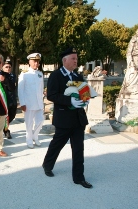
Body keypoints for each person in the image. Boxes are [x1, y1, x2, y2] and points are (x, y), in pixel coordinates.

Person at [42, 47, 92, 189]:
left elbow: (85, 93)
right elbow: (51, 95)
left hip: (78, 119)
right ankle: (47, 165)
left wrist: (86, 99)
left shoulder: (78, 76)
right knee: (57, 144)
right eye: (73, 59)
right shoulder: (56, 75)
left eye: (76, 59)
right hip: (64, 118)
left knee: (78, 149)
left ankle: (79, 178)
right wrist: (69, 101)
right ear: (64, 60)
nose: (76, 61)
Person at [17, 53, 44, 148]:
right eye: (34, 61)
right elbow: (20, 90)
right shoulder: (24, 74)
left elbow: (41, 89)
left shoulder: (40, 74)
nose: (36, 63)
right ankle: (29, 139)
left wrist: (42, 99)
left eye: (37, 61)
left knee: (40, 121)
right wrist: (22, 103)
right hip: (29, 103)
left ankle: (35, 136)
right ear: (29, 62)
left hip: (39, 103)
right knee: (29, 123)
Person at [120, 26, 138, 95]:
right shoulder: (133, 41)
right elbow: (129, 53)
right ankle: (131, 89)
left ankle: (137, 89)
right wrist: (131, 63)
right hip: (134, 60)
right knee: (133, 74)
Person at [2, 60, 17, 139]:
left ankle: (3, 128)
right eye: (6, 67)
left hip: (12, 99)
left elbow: (13, 88)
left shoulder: (13, 76)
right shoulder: (1, 76)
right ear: (3, 68)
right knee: (6, 117)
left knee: (12, 115)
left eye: (9, 67)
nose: (8, 68)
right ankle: (6, 130)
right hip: (4, 99)